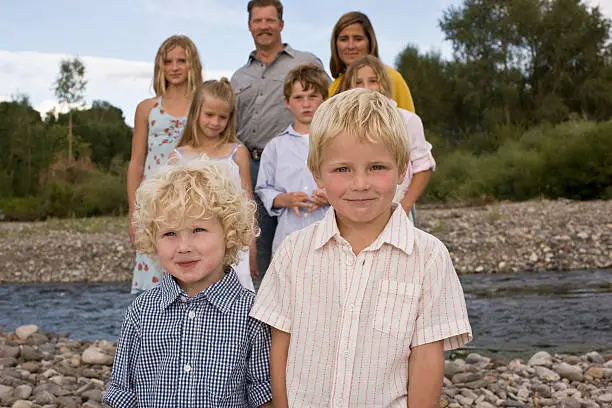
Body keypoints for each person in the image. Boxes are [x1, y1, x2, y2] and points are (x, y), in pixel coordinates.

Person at [251, 89, 472, 407]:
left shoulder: (429, 257)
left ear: (402, 169)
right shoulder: (293, 252)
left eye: (376, 168)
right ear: (318, 173)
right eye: (342, 169)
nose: (360, 184)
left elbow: (426, 359)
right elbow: (280, 345)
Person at [104, 159, 273, 407]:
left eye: (198, 230)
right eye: (170, 234)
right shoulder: (141, 312)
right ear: (153, 239)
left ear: (230, 232)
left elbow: (263, 396)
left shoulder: (252, 315)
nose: (184, 247)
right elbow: (123, 393)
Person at [231, 0, 327, 278]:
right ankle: (264, 308)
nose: (264, 26)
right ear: (250, 26)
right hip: (251, 166)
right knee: (257, 245)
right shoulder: (239, 77)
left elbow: (329, 104)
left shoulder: (306, 62)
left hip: (304, 159)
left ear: (281, 24)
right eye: (257, 21)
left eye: (270, 20)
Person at [128, 35, 203, 294]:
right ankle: (152, 329)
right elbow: (136, 163)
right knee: (155, 266)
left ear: (192, 64)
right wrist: (133, 213)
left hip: (191, 199)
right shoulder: (147, 108)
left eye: (181, 60)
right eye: (168, 61)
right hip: (154, 201)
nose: (174, 67)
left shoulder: (201, 105)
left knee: (192, 264)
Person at [169, 78, 257, 291]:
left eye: (222, 117)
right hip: (192, 241)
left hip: (233, 242)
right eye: (209, 115)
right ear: (196, 112)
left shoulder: (237, 153)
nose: (215, 122)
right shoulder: (178, 157)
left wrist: (251, 245)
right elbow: (170, 209)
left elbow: (247, 201)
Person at [339, 55, 436, 222]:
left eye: (373, 81)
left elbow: (423, 167)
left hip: (397, 208)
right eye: (358, 82)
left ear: (383, 83)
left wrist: (404, 206)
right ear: (349, 87)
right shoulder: (340, 124)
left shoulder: (407, 120)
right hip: (354, 209)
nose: (366, 88)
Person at [255, 64, 330, 254]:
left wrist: (331, 197)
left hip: (329, 234)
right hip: (288, 237)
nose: (306, 104)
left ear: (324, 99)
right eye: (298, 98)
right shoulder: (275, 147)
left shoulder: (335, 143)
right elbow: (264, 188)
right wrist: (284, 199)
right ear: (287, 102)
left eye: (312, 96)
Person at [328, 11, 416, 112]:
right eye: (344, 39)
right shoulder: (334, 87)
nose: (350, 46)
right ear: (335, 44)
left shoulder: (392, 78)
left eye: (358, 39)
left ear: (370, 42)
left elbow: (409, 123)